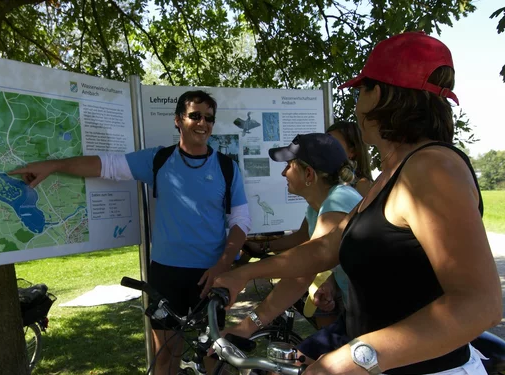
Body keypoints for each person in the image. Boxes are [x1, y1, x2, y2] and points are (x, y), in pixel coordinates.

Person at [213, 31, 501, 375]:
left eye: (360, 90)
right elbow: (326, 248)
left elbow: (479, 304)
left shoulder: (431, 167)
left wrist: (353, 357)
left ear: (377, 93)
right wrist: (245, 273)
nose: (356, 104)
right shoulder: (394, 172)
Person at [8, 90, 251, 375]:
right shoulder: (158, 161)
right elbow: (106, 165)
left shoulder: (226, 167)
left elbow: (241, 221)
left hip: (210, 274)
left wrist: (224, 263)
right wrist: (54, 166)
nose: (203, 123)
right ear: (177, 120)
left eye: (209, 118)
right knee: (165, 356)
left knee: (211, 354)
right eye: (195, 115)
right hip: (165, 274)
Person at [222, 132, 362, 339]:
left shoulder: (339, 200)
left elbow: (306, 267)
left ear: (308, 175)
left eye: (288, 165)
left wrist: (244, 273)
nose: (283, 173)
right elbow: (304, 242)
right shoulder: (318, 208)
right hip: (359, 314)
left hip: (382, 319)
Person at [326, 121, 374, 197]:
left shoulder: (363, 185)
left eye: (332, 144)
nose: (325, 148)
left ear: (352, 151)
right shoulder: (330, 183)